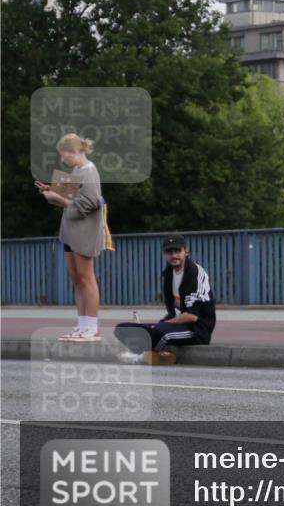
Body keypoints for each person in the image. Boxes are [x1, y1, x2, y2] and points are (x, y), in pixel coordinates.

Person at [35, 134, 105, 343]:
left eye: (63, 155)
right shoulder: (76, 170)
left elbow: (90, 203)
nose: (63, 159)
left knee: (86, 278)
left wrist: (59, 199)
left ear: (74, 152)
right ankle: (82, 325)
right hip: (70, 231)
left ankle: (92, 327)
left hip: (84, 232)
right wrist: (51, 192)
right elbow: (70, 199)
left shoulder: (89, 172)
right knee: (76, 279)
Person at [115, 235, 216, 365]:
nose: (174, 255)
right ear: (164, 254)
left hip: (196, 330)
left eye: (177, 251)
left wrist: (164, 324)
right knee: (122, 328)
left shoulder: (195, 273)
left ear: (186, 251)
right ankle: (158, 355)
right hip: (175, 324)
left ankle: (140, 356)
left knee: (160, 331)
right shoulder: (168, 273)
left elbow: (191, 316)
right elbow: (174, 310)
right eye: (169, 252)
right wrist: (163, 322)